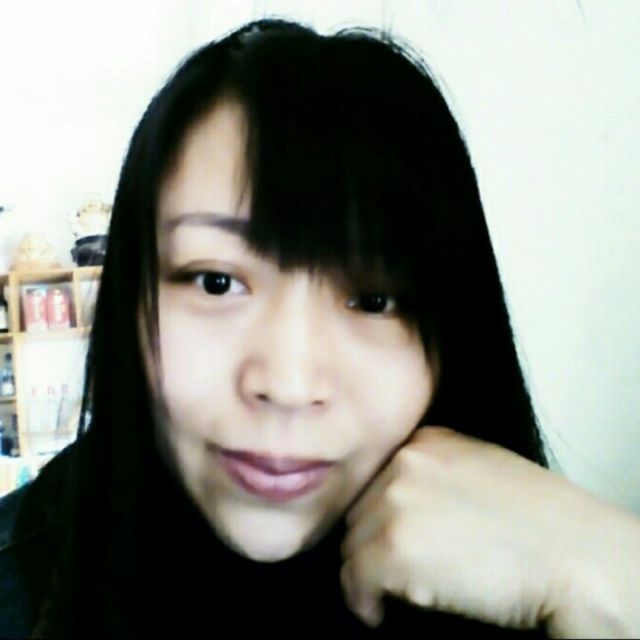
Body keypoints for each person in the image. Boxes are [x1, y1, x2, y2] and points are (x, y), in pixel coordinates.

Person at [0, 18, 638, 638]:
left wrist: (612, 576)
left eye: (374, 300)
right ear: (132, 297)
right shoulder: (20, 579)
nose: (288, 384)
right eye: (216, 282)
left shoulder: (556, 588)